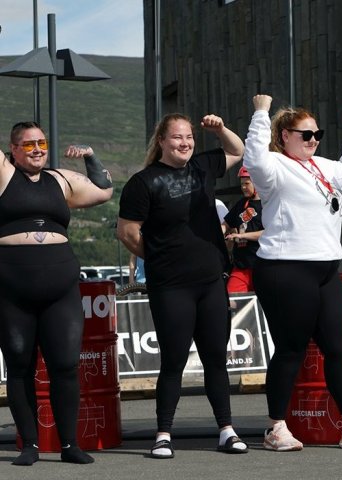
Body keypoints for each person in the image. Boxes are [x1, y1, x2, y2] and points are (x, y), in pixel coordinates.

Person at [242, 94, 342, 451]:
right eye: (304, 134)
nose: (312, 140)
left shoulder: (321, 167)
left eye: (317, 133)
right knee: (291, 348)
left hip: (325, 270)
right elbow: (254, 158)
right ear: (283, 136)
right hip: (285, 269)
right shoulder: (274, 166)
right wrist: (261, 114)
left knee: (338, 346)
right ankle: (275, 428)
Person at [116, 113, 248, 459]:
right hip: (171, 286)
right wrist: (160, 256)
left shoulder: (203, 166)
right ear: (161, 140)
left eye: (189, 137)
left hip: (210, 282)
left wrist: (220, 130)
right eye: (177, 137)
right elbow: (128, 233)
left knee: (216, 359)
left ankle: (226, 430)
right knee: (173, 361)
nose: (185, 143)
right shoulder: (143, 182)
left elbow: (238, 150)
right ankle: (163, 434)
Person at [0, 122, 113, 466]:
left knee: (65, 365)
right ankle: (29, 445)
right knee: (20, 366)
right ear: (13, 150)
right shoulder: (4, 174)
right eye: (28, 144)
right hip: (12, 289)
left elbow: (103, 190)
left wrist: (90, 157)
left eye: (42, 143)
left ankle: (69, 445)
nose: (37, 149)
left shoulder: (60, 180)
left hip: (60, 289)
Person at [223, 166, 264, 293]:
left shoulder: (267, 205)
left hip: (261, 265)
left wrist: (241, 236)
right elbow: (226, 224)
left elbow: (268, 233)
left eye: (247, 183)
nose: (243, 187)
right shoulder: (241, 204)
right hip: (241, 266)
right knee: (232, 301)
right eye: (241, 184)